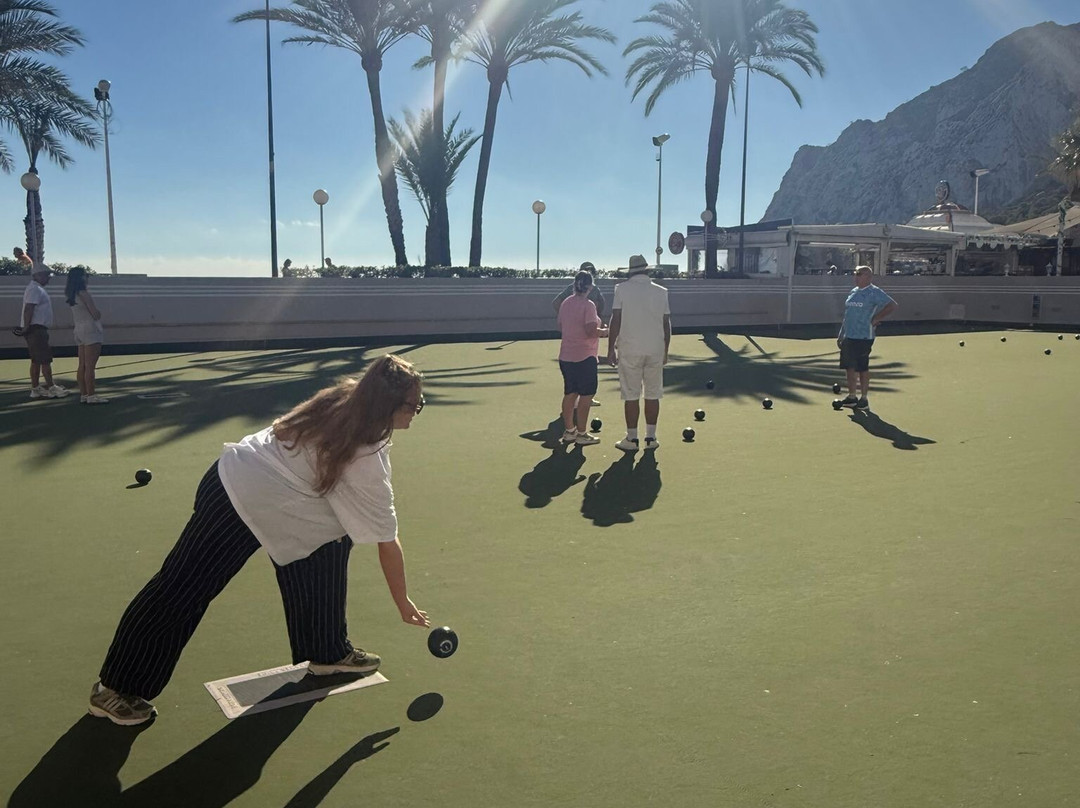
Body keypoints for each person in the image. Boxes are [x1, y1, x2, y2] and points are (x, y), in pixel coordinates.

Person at [89, 354, 430, 726]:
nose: (417, 411)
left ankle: (327, 650)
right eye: (414, 405)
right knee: (184, 587)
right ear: (386, 406)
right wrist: (403, 602)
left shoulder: (348, 401)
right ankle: (114, 690)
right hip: (237, 497)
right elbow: (386, 540)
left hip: (280, 498)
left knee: (330, 540)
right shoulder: (365, 456)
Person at [607, 254, 670, 451]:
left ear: (630, 271)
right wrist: (665, 350)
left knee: (631, 394)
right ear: (646, 270)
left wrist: (610, 348)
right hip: (655, 349)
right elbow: (666, 323)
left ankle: (632, 439)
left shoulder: (621, 289)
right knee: (653, 394)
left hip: (630, 349)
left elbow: (615, 319)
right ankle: (651, 438)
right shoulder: (661, 291)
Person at [557, 269, 608, 446]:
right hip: (584, 357)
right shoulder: (589, 305)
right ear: (590, 287)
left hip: (566, 356)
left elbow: (562, 325)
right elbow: (590, 331)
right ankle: (582, 433)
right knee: (586, 396)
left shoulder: (566, 303)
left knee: (570, 394)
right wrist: (605, 332)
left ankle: (569, 431)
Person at [836, 266, 898, 410]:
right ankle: (852, 397)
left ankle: (863, 399)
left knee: (862, 367)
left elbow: (892, 305)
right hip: (849, 335)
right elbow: (848, 315)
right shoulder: (853, 292)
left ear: (868, 277)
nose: (856, 277)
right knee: (849, 367)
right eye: (855, 274)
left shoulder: (874, 292)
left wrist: (877, 318)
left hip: (864, 336)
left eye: (859, 274)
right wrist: (841, 333)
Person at [14, 263, 69, 399]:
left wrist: (26, 327)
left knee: (36, 360)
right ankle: (51, 387)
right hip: (36, 329)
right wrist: (27, 327)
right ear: (37, 275)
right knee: (45, 359)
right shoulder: (35, 290)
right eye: (46, 275)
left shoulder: (35, 288)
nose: (49, 278)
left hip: (35, 328)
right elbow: (29, 308)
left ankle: (36, 388)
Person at [65, 267, 108, 404]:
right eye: (86, 276)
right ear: (81, 278)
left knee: (82, 364)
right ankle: (91, 395)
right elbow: (95, 313)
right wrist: (99, 313)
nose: (87, 278)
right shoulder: (84, 293)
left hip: (79, 329)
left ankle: (84, 394)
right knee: (90, 366)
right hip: (90, 329)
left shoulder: (72, 295)